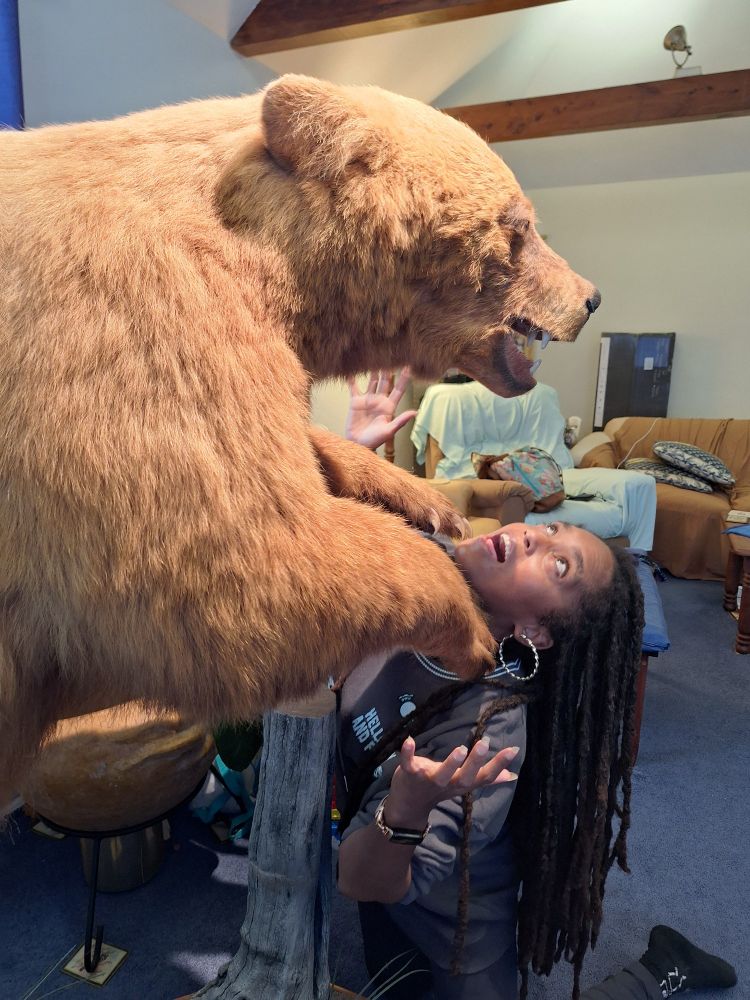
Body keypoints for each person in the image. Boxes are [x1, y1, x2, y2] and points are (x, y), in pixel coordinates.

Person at [334, 372, 737, 1000]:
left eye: (556, 563)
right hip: (392, 907)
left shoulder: (487, 736)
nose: (529, 535)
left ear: (535, 632)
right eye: (547, 532)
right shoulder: (426, 566)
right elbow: (314, 544)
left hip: (453, 941)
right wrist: (353, 454)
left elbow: (362, 878)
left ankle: (660, 971)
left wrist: (408, 809)